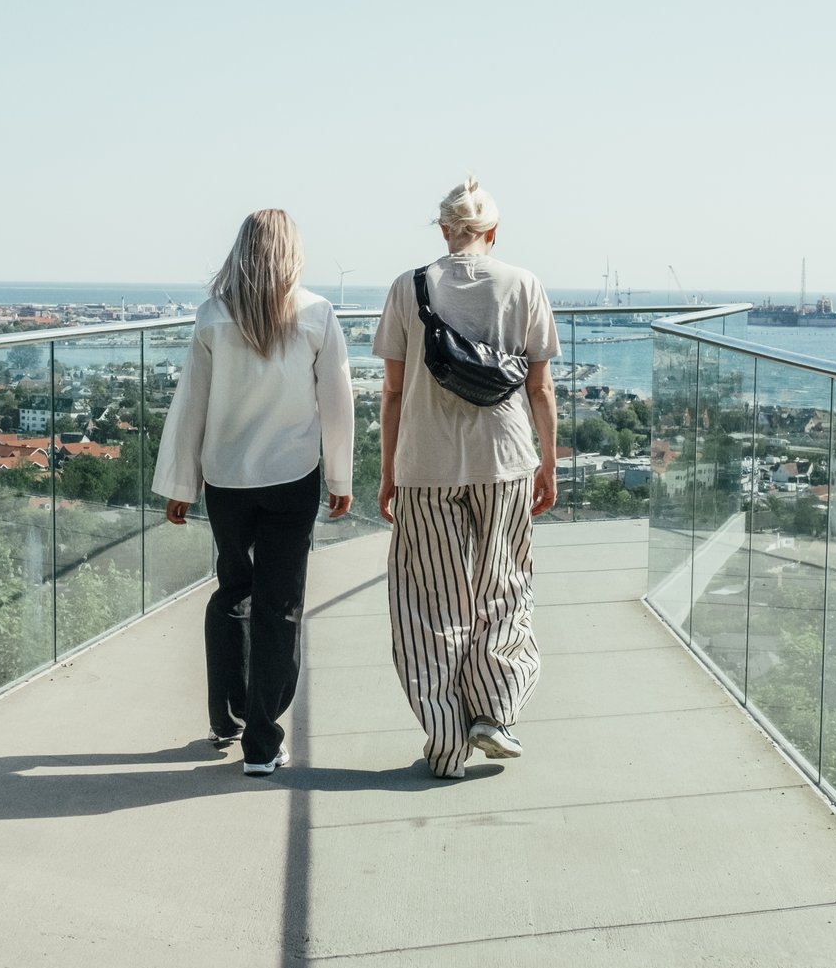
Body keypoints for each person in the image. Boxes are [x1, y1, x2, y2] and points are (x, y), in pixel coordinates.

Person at [153, 210, 355, 777]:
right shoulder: (316, 313)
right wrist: (340, 478)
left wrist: (180, 484)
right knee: (279, 606)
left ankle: (228, 717)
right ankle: (262, 744)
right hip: (293, 478)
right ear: (293, 251)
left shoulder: (213, 316)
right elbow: (338, 405)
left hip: (226, 480)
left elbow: (191, 404)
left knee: (233, 590)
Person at [373, 177, 559, 778]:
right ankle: (496, 713)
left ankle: (447, 741)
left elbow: (395, 392)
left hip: (425, 466)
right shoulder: (524, 285)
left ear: (444, 230)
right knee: (503, 586)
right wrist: (548, 462)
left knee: (430, 603)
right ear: (493, 232)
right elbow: (541, 389)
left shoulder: (409, 287)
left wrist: (388, 473)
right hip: (504, 461)